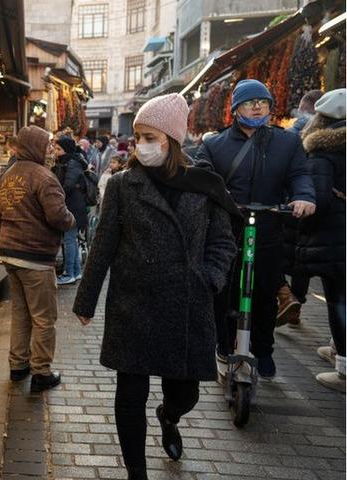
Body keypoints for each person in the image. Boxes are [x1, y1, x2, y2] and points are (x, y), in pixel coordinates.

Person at [73, 94, 238, 480]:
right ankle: (136, 471)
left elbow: (223, 242)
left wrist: (209, 278)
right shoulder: (122, 186)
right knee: (130, 395)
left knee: (187, 393)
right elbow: (104, 246)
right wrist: (86, 301)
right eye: (138, 136)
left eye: (149, 136)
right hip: (134, 303)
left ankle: (170, 415)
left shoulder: (204, 185)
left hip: (187, 303)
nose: (140, 145)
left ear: (172, 139)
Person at [196, 79, 316, 378]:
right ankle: (224, 345)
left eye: (263, 102)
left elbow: (300, 175)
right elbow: (202, 177)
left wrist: (303, 197)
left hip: (269, 226)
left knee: (264, 293)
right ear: (236, 108)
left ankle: (263, 350)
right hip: (226, 229)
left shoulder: (287, 142)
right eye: (250, 102)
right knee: (223, 291)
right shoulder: (214, 144)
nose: (258, 106)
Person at [0, 125, 76, 392]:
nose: (50, 150)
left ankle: (18, 366)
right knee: (43, 317)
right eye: (46, 145)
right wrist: (71, 219)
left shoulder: (8, 176)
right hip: (35, 258)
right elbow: (58, 216)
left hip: (9, 254)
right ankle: (41, 372)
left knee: (20, 312)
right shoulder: (44, 177)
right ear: (34, 147)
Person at [293, 88, 346, 391]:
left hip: (335, 237)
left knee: (339, 299)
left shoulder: (323, 149)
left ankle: (344, 368)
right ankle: (337, 349)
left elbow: (318, 200)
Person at [277, 89, 324, 326]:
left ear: (304, 107)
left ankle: (286, 298)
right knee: (300, 262)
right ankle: (295, 304)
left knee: (278, 254)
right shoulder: (326, 139)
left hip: (287, 206)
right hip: (310, 206)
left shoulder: (292, 134)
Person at [53, 136, 88, 285]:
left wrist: (53, 193)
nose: (55, 151)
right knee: (71, 240)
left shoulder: (72, 163)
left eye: (58, 149)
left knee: (69, 241)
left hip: (73, 207)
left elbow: (67, 186)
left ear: (66, 150)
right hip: (73, 206)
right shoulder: (68, 162)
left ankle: (69, 273)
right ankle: (75, 272)